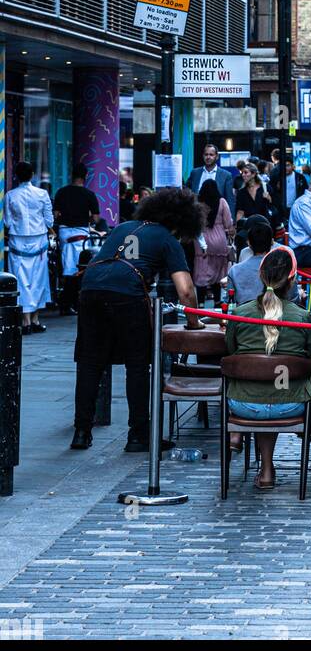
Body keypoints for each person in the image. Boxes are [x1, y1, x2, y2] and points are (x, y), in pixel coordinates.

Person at [71, 186, 204, 452]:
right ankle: (138, 434)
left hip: (91, 287)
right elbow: (186, 290)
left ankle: (81, 432)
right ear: (181, 221)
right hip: (129, 293)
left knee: (90, 363)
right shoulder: (167, 237)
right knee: (138, 364)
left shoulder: (123, 227)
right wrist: (194, 322)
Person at [224, 248, 311, 491]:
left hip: (244, 403)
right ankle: (267, 468)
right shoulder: (304, 317)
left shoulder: (239, 315)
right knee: (275, 390)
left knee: (263, 389)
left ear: (261, 276)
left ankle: (266, 469)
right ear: (292, 279)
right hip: (290, 402)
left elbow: (231, 351)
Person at [7, 162, 54, 334]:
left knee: (20, 280)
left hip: (17, 242)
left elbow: (7, 222)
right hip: (39, 242)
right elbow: (49, 221)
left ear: (16, 176)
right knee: (38, 280)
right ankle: (35, 319)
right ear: (32, 174)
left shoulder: (10, 195)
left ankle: (25, 321)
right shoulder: (42, 194)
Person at [53, 163, 101, 317]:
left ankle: (66, 301)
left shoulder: (61, 192)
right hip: (81, 234)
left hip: (64, 234)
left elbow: (56, 214)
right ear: (85, 176)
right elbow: (96, 217)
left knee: (68, 267)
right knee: (78, 269)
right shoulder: (89, 195)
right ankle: (70, 302)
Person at [192, 179, 233, 306]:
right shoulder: (222, 202)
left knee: (202, 270)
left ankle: (201, 303)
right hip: (219, 240)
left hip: (201, 241)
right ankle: (217, 301)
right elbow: (228, 223)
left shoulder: (197, 204)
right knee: (218, 271)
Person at [186, 143, 236, 216]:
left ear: (216, 156)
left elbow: (230, 200)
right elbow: (187, 192)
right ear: (203, 156)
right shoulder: (195, 173)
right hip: (197, 215)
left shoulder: (226, 175)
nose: (208, 157)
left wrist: (232, 221)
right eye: (206, 154)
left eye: (211, 155)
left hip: (217, 217)